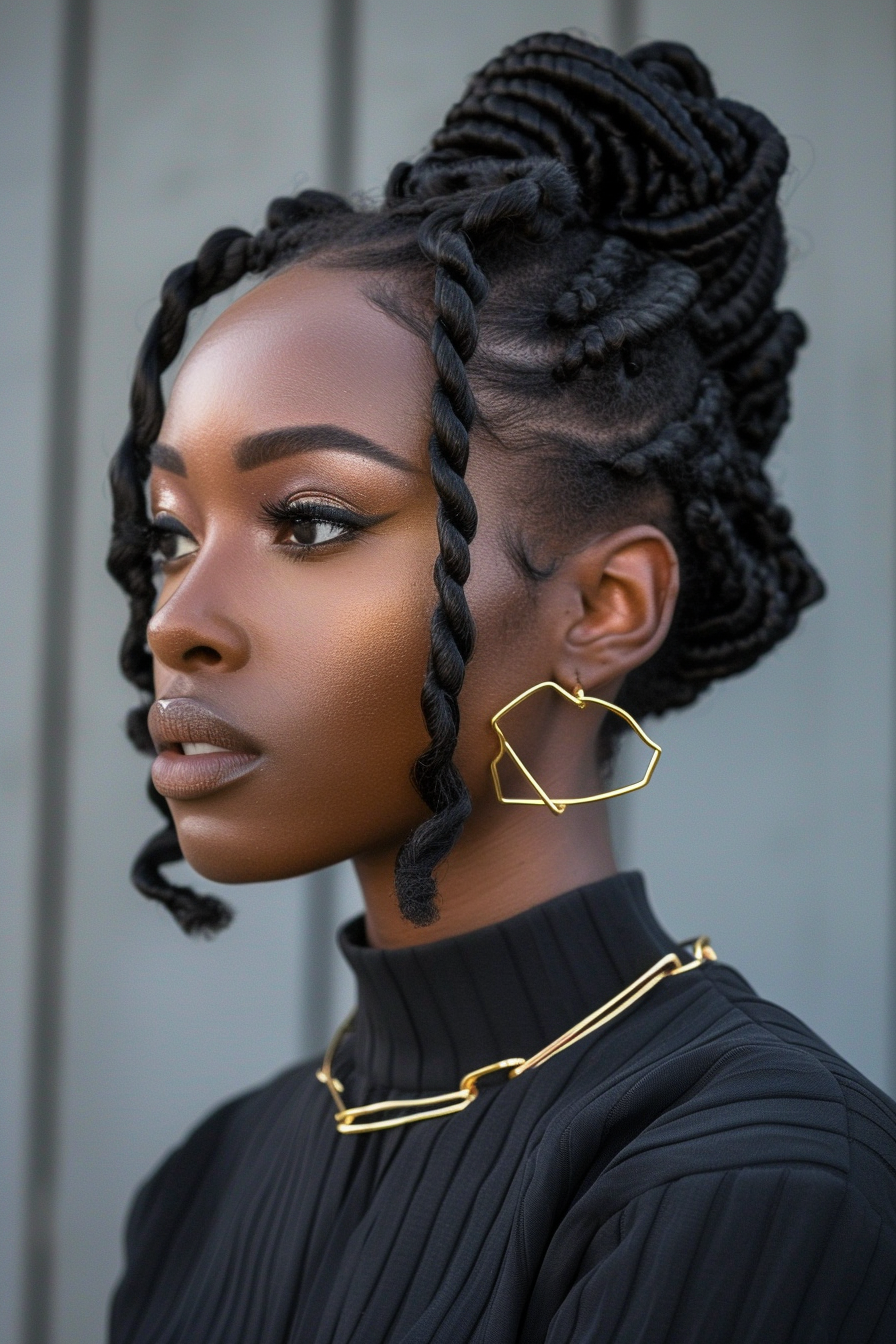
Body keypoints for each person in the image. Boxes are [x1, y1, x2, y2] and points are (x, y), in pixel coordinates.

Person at [107, 31, 896, 1344]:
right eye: (174, 534)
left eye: (308, 522)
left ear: (604, 608)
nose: (176, 624)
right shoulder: (204, 1183)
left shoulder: (752, 1186)